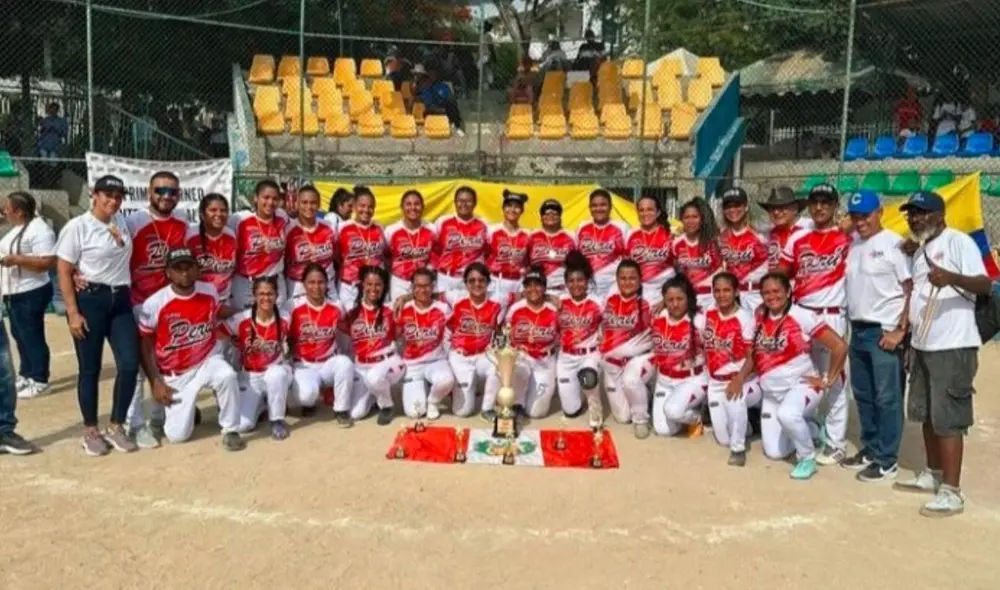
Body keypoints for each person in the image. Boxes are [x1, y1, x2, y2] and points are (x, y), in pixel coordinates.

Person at [894, 190, 991, 517]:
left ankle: (952, 490)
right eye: (911, 213)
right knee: (926, 414)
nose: (914, 218)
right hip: (923, 343)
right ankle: (932, 474)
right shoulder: (921, 249)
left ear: (939, 215)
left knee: (949, 419)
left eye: (921, 213)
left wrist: (951, 278)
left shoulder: (958, 242)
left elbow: (985, 284)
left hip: (952, 345)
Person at [729, 273, 848, 480]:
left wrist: (827, 380)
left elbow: (839, 346)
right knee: (774, 453)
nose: (771, 296)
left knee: (788, 415)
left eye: (776, 291)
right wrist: (739, 378)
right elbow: (752, 356)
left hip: (801, 386)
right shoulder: (758, 318)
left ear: (788, 291)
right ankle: (811, 428)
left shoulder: (801, 315)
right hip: (772, 394)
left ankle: (807, 458)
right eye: (766, 292)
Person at [55, 175, 141, 456]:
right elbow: (64, 269)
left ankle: (116, 425)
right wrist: (72, 312)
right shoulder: (78, 226)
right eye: (107, 195)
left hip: (121, 299)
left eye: (118, 196)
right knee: (89, 368)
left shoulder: (123, 222)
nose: (113, 201)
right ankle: (91, 429)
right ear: (94, 194)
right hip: (92, 299)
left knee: (129, 364)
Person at [138, 248, 244, 451]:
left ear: (197, 270)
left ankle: (230, 430)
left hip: (207, 360)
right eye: (178, 269)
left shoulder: (209, 291)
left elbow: (219, 311)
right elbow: (144, 343)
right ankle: (189, 408)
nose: (184, 273)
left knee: (227, 375)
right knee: (177, 436)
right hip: (176, 373)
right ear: (168, 272)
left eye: (189, 267)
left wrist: (247, 313)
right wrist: (155, 381)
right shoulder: (155, 303)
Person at [779, 183, 852, 466]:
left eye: (826, 202)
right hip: (802, 312)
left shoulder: (848, 236)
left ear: (835, 206)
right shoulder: (798, 239)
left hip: (832, 313)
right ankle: (807, 427)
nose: (820, 207)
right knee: (801, 373)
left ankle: (836, 443)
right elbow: (782, 274)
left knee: (834, 379)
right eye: (815, 202)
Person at [843, 190, 911, 482]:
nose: (860, 222)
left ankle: (887, 459)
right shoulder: (854, 245)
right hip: (857, 329)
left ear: (880, 212)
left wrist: (901, 329)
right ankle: (870, 449)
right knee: (864, 395)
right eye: (855, 216)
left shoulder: (895, 244)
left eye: (866, 215)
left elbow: (910, 289)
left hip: (884, 331)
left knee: (887, 397)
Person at [123, 171, 190, 448]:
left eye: (172, 192)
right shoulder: (133, 222)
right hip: (139, 302)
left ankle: (158, 419)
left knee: (164, 361)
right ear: (149, 193)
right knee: (137, 367)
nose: (166, 196)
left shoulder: (182, 224)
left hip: (167, 302)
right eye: (160, 191)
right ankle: (133, 424)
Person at [697, 272, 760, 466]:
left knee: (735, 400)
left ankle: (738, 449)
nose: (722, 295)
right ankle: (751, 425)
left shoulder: (745, 318)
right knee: (723, 439)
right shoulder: (708, 313)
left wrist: (739, 379)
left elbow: (753, 357)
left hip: (742, 379)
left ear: (736, 292)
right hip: (715, 381)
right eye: (717, 290)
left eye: (726, 290)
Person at [0, 191, 56, 399]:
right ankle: (26, 374)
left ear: (19, 211)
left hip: (31, 291)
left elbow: (47, 262)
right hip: (15, 292)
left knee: (32, 336)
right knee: (19, 334)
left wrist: (16, 260)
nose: (4, 211)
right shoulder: (18, 227)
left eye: (7, 208)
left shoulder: (40, 231)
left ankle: (40, 379)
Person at [223, 276, 293, 440]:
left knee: (276, 373)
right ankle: (262, 405)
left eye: (270, 293)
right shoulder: (241, 319)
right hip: (250, 376)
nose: (266, 298)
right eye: (261, 294)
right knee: (243, 425)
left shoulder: (285, 317)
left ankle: (277, 420)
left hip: (275, 372)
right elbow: (219, 334)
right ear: (254, 296)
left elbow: (292, 341)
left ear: (277, 295)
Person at [286, 264, 354, 427]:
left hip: (327, 363)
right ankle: (300, 396)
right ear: (303, 284)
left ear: (327, 284)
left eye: (321, 282)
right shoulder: (292, 306)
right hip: (304, 365)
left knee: (345, 363)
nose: (316, 287)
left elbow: (348, 328)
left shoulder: (336, 306)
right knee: (306, 396)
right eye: (311, 282)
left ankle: (341, 410)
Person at [644, 275, 708, 438]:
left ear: (688, 298)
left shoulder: (700, 319)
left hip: (692, 379)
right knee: (663, 430)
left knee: (672, 411)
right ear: (664, 300)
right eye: (670, 299)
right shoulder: (657, 316)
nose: (675, 304)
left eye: (680, 298)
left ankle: (696, 417)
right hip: (664, 380)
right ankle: (682, 409)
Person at [600, 259, 654, 438]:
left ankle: (641, 419)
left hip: (636, 360)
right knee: (622, 417)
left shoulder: (647, 303)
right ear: (616, 280)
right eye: (623, 278)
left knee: (631, 381)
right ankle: (643, 395)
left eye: (632, 278)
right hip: (612, 365)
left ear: (640, 280)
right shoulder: (608, 301)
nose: (627, 282)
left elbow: (655, 334)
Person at [346, 265, 405, 425]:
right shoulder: (351, 313)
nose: (373, 288)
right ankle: (375, 395)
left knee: (374, 378)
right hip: (362, 366)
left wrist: (405, 298)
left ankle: (387, 406)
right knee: (355, 413)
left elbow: (423, 295)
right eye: (369, 284)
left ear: (384, 286)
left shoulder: (391, 309)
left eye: (378, 284)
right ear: (362, 285)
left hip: (387, 361)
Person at [445, 263, 505, 419]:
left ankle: (487, 408)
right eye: (471, 281)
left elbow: (522, 295)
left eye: (481, 280)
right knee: (462, 412)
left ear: (488, 283)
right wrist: (406, 298)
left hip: (483, 355)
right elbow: (428, 293)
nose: (477, 284)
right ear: (465, 283)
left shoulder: (497, 302)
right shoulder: (455, 299)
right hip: (460, 356)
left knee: (499, 367)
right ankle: (464, 387)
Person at [499, 266, 559, 419]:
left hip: (545, 360)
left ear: (544, 288)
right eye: (528, 285)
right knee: (519, 370)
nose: (533, 289)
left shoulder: (554, 309)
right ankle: (516, 402)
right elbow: (505, 332)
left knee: (537, 413)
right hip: (523, 358)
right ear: (524, 288)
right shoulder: (515, 310)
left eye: (537, 284)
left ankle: (528, 397)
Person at [395, 268, 455, 420]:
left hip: (436, 361)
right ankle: (421, 387)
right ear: (412, 288)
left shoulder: (443, 308)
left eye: (426, 286)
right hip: (412, 365)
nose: (422, 290)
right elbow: (393, 335)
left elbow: (452, 334)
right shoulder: (403, 309)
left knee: (447, 380)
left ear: (433, 286)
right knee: (415, 413)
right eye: (418, 286)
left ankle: (433, 401)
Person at [556, 252, 604, 426]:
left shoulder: (598, 302)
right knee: (570, 411)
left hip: (588, 355)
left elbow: (612, 322)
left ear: (587, 281)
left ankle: (595, 408)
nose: (576, 284)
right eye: (572, 281)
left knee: (589, 378)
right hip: (566, 357)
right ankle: (578, 401)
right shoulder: (559, 302)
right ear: (566, 283)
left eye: (580, 280)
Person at [230, 179, 289, 309]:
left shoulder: (282, 217)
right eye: (266, 197)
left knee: (276, 324)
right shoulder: (239, 219)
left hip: (276, 282)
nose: (270, 202)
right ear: (255, 198)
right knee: (247, 324)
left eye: (275, 199)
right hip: (247, 283)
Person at [717, 187, 768, 313]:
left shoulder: (760, 234)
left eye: (737, 205)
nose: (733, 210)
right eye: (728, 206)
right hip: (732, 296)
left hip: (756, 294)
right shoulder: (720, 237)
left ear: (746, 207)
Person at [337, 187, 387, 311]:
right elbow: (335, 255)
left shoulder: (379, 229)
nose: (366, 210)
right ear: (354, 206)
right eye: (362, 205)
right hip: (349, 287)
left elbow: (384, 256)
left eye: (370, 207)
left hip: (373, 288)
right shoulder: (342, 228)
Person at [284, 185, 336, 299]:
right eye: (304, 202)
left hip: (327, 286)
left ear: (319, 204)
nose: (309, 206)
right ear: (297, 203)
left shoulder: (329, 227)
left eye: (313, 202)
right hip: (298, 287)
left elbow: (337, 256)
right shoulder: (288, 229)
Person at [187, 193, 237, 309]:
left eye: (223, 210)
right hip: (197, 301)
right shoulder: (190, 236)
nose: (219, 214)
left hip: (225, 301)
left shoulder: (231, 235)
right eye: (213, 210)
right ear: (202, 214)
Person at [434, 186, 488, 294]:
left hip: (469, 280)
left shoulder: (483, 224)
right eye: (460, 201)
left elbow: (487, 251)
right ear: (455, 202)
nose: (464, 204)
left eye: (468, 201)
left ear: (475, 203)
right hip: (446, 278)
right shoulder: (442, 222)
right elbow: (435, 249)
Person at [385, 190, 436, 302]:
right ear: (402, 207)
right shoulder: (391, 231)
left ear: (422, 207)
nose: (413, 208)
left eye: (417, 204)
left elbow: (436, 255)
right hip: (400, 282)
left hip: (424, 282)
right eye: (408, 204)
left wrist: (429, 273)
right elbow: (386, 257)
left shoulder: (431, 229)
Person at [672, 197, 722, 310]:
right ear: (681, 219)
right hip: (687, 298)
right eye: (687, 217)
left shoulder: (712, 243)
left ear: (701, 219)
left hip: (710, 299)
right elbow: (673, 272)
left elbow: (719, 272)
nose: (691, 221)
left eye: (695, 217)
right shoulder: (675, 243)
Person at [576, 189, 628, 299]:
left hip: (613, 286)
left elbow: (628, 258)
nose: (598, 209)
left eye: (603, 205)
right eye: (594, 205)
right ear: (589, 208)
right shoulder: (582, 227)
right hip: (588, 286)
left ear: (610, 207)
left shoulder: (622, 227)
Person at [625, 195, 674, 306]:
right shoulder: (630, 235)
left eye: (649, 209)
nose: (645, 213)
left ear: (658, 212)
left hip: (665, 293)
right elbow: (626, 268)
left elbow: (680, 272)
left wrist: (666, 300)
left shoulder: (670, 235)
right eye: (641, 210)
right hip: (639, 293)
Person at [487, 190, 530, 303]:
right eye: (509, 206)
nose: (512, 210)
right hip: (497, 281)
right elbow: (482, 254)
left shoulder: (527, 234)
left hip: (519, 282)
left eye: (516, 207)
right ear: (503, 208)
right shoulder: (492, 231)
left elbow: (528, 260)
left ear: (522, 211)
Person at [528, 199, 576, 295]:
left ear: (560, 216)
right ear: (541, 217)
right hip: (537, 289)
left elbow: (577, 265)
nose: (551, 216)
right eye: (547, 213)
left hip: (562, 289)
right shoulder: (532, 236)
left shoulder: (572, 236)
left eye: (555, 213)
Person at [759, 186, 812, 272]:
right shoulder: (767, 233)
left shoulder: (809, 226)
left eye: (782, 208)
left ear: (795, 209)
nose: (776, 212)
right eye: (772, 209)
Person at [414, 64, 465, 136]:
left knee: (452, 105)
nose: (432, 76)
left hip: (443, 107)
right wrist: (439, 109)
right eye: (430, 74)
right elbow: (428, 104)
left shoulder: (443, 86)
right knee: (430, 109)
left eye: (434, 74)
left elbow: (450, 98)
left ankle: (457, 127)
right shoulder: (426, 88)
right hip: (431, 109)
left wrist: (445, 106)